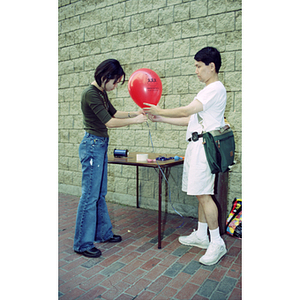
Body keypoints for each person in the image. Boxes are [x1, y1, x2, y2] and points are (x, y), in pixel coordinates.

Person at [144, 47, 227, 265]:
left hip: (204, 148)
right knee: (201, 192)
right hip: (196, 145)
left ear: (212, 66)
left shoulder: (214, 88)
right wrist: (160, 119)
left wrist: (160, 111)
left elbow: (185, 111)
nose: (197, 71)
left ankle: (217, 242)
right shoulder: (208, 91)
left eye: (199, 66)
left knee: (204, 195)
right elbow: (188, 120)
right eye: (196, 66)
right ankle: (201, 234)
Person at [74, 59, 148, 258]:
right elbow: (110, 122)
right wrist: (136, 121)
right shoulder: (90, 94)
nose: (115, 87)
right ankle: (82, 243)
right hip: (92, 147)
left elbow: (114, 113)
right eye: (114, 82)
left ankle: (102, 233)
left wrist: (135, 112)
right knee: (90, 195)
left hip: (99, 146)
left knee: (99, 193)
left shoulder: (101, 93)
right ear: (105, 76)